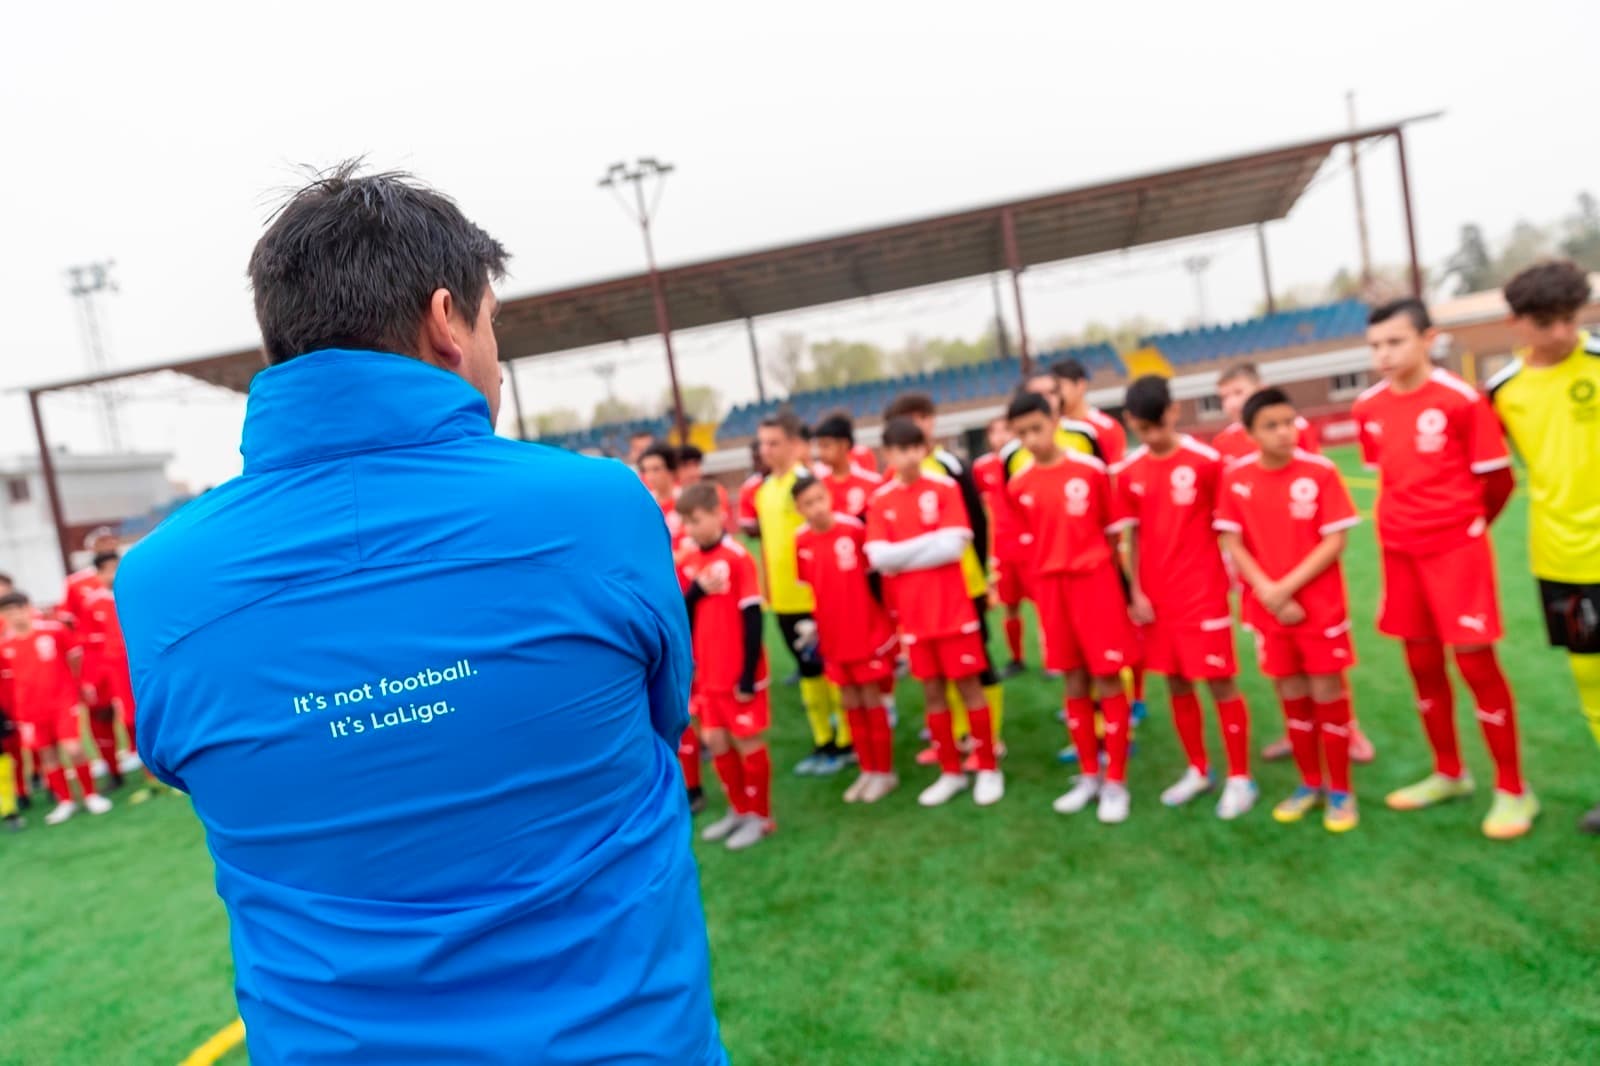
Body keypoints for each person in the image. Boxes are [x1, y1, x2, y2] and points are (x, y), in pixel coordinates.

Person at [115, 165, 726, 1064]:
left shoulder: (159, 582)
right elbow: (660, 716)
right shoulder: (595, 508)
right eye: (493, 326)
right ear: (448, 320)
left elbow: (194, 769)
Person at [1353, 297, 1535, 841]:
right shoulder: (1367, 407)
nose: (1384, 354)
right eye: (1376, 345)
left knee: (1477, 665)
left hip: (1456, 552)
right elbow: (1385, 475)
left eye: (1395, 342)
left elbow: (1498, 481)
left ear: (1428, 340)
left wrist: (1468, 527)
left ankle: (1512, 788)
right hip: (1400, 553)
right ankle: (1448, 772)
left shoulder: (1462, 400)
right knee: (1421, 663)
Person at [1214, 388, 1362, 833]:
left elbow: (1334, 540)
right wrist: (1267, 591)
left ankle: (1340, 790)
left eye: (1289, 422)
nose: (1285, 432)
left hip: (1317, 609)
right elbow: (1232, 540)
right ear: (1250, 433)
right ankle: (1308, 782)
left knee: (1326, 694)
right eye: (1271, 425)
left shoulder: (1320, 471)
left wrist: (1285, 589)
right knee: (1291, 696)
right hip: (1269, 610)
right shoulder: (1237, 477)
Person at [1488, 261, 1600, 832]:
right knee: (1593, 684)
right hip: (1562, 558)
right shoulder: (1503, 393)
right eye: (1546, 322)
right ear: (1516, 323)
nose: (1561, 333)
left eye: (1569, 319)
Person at [1117, 376, 1258, 820]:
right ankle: (1199, 768)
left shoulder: (1208, 462)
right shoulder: (1129, 472)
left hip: (1203, 593)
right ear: (1131, 424)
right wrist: (1135, 589)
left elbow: (1231, 528)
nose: (1153, 436)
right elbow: (1131, 535)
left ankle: (1240, 777)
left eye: (1158, 425)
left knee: (1219, 681)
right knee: (1175, 682)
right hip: (1157, 599)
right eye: (1143, 430)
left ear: (1175, 412)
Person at [1007, 393, 1140, 823]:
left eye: (1037, 428)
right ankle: (1088, 775)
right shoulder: (1019, 484)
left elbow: (1114, 534)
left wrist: (1118, 584)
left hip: (1095, 584)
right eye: (1022, 433)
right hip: (1051, 590)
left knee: (1107, 679)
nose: (1032, 439)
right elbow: (1027, 542)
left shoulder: (1090, 471)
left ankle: (1116, 779)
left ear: (1054, 422)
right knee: (1073, 680)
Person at [867, 418, 1004, 808]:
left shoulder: (944, 488)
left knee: (969, 687)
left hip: (954, 610)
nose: (908, 457)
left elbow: (955, 545)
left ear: (924, 449)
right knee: (931, 692)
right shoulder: (881, 500)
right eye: (899, 450)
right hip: (914, 616)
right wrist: (928, 544)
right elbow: (878, 557)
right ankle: (950, 771)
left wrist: (903, 553)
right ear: (887, 455)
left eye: (914, 448)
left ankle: (988, 766)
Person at [676, 484, 774, 851]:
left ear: (718, 513)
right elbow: (681, 614)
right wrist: (696, 591)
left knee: (746, 741)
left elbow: (753, 618)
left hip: (738, 673)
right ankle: (738, 809)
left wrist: (748, 673)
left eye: (696, 520)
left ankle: (761, 816)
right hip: (708, 673)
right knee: (716, 740)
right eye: (685, 522)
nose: (689, 529)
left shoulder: (737, 558)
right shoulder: (687, 561)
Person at [794, 476, 899, 803]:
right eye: (808, 504)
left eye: (819, 499)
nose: (816, 508)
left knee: (870, 697)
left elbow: (878, 581)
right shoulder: (801, 541)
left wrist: (888, 627)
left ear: (829, 497)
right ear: (799, 509)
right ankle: (867, 769)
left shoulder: (853, 530)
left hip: (865, 631)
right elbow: (815, 588)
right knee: (849, 701)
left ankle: (885, 772)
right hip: (833, 635)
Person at [756, 411, 850, 774]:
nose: (767, 450)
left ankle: (845, 742)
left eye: (774, 442)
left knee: (828, 670)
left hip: (814, 598)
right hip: (781, 600)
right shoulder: (764, 491)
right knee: (807, 672)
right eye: (763, 443)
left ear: (795, 445)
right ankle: (823, 740)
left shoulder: (808, 484)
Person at [0, 592, 110, 825]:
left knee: (73, 748)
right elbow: (9, 681)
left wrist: (78, 686)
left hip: (62, 700)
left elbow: (74, 658)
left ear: (28, 608)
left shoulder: (53, 631)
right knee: (47, 754)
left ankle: (91, 795)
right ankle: (65, 801)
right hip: (29, 709)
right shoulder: (5, 645)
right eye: (8, 612)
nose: (14, 616)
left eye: (18, 609)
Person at [975, 416, 1029, 678]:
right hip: (1001, 548)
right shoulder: (982, 467)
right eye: (994, 431)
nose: (1000, 436)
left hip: (1028, 544)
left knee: (1046, 605)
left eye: (1005, 430)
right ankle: (1016, 658)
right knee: (1010, 604)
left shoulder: (1022, 459)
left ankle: (1055, 658)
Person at [1212, 363, 1320, 466]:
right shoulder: (1222, 441)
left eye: (1238, 392)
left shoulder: (1297, 428)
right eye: (1224, 397)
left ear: (1261, 390)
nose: (1232, 403)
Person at [1051, 357, 1128, 464]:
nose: (1055, 394)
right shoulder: (1051, 430)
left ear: (1080, 385)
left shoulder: (1106, 428)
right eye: (1052, 390)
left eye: (1059, 387)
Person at [812, 413, 882, 520]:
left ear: (844, 445)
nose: (821, 453)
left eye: (826, 446)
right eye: (819, 446)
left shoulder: (873, 483)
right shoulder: (818, 486)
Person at [677, 444, 735, 531]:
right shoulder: (670, 495)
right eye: (685, 466)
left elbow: (723, 526)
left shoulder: (715, 491)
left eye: (696, 465)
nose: (692, 472)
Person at [738, 440, 766, 537]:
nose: (757, 464)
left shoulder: (794, 477)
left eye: (761, 459)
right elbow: (747, 526)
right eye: (755, 459)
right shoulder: (749, 488)